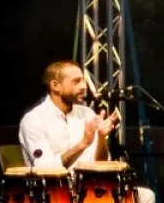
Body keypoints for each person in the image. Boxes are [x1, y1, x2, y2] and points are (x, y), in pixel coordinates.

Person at [17, 60, 156, 203]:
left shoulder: (86, 113)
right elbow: (45, 171)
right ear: (55, 86)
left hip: (88, 189)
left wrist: (101, 137)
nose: (84, 86)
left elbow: (99, 164)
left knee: (146, 196)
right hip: (53, 193)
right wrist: (82, 144)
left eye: (83, 80)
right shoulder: (34, 119)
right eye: (76, 82)